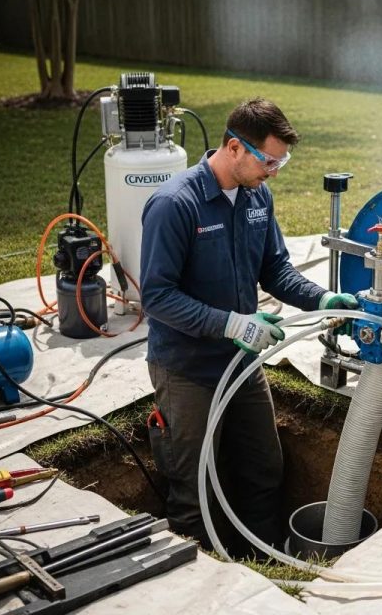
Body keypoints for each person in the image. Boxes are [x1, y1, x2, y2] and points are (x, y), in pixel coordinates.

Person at [139, 97, 357, 553]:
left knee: (263, 469)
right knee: (193, 487)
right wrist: (232, 324)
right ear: (234, 147)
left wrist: (321, 297)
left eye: (282, 161)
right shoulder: (175, 205)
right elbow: (157, 297)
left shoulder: (257, 195)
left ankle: (263, 561)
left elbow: (274, 269)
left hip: (240, 362)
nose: (274, 171)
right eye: (269, 160)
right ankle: (198, 587)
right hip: (188, 370)